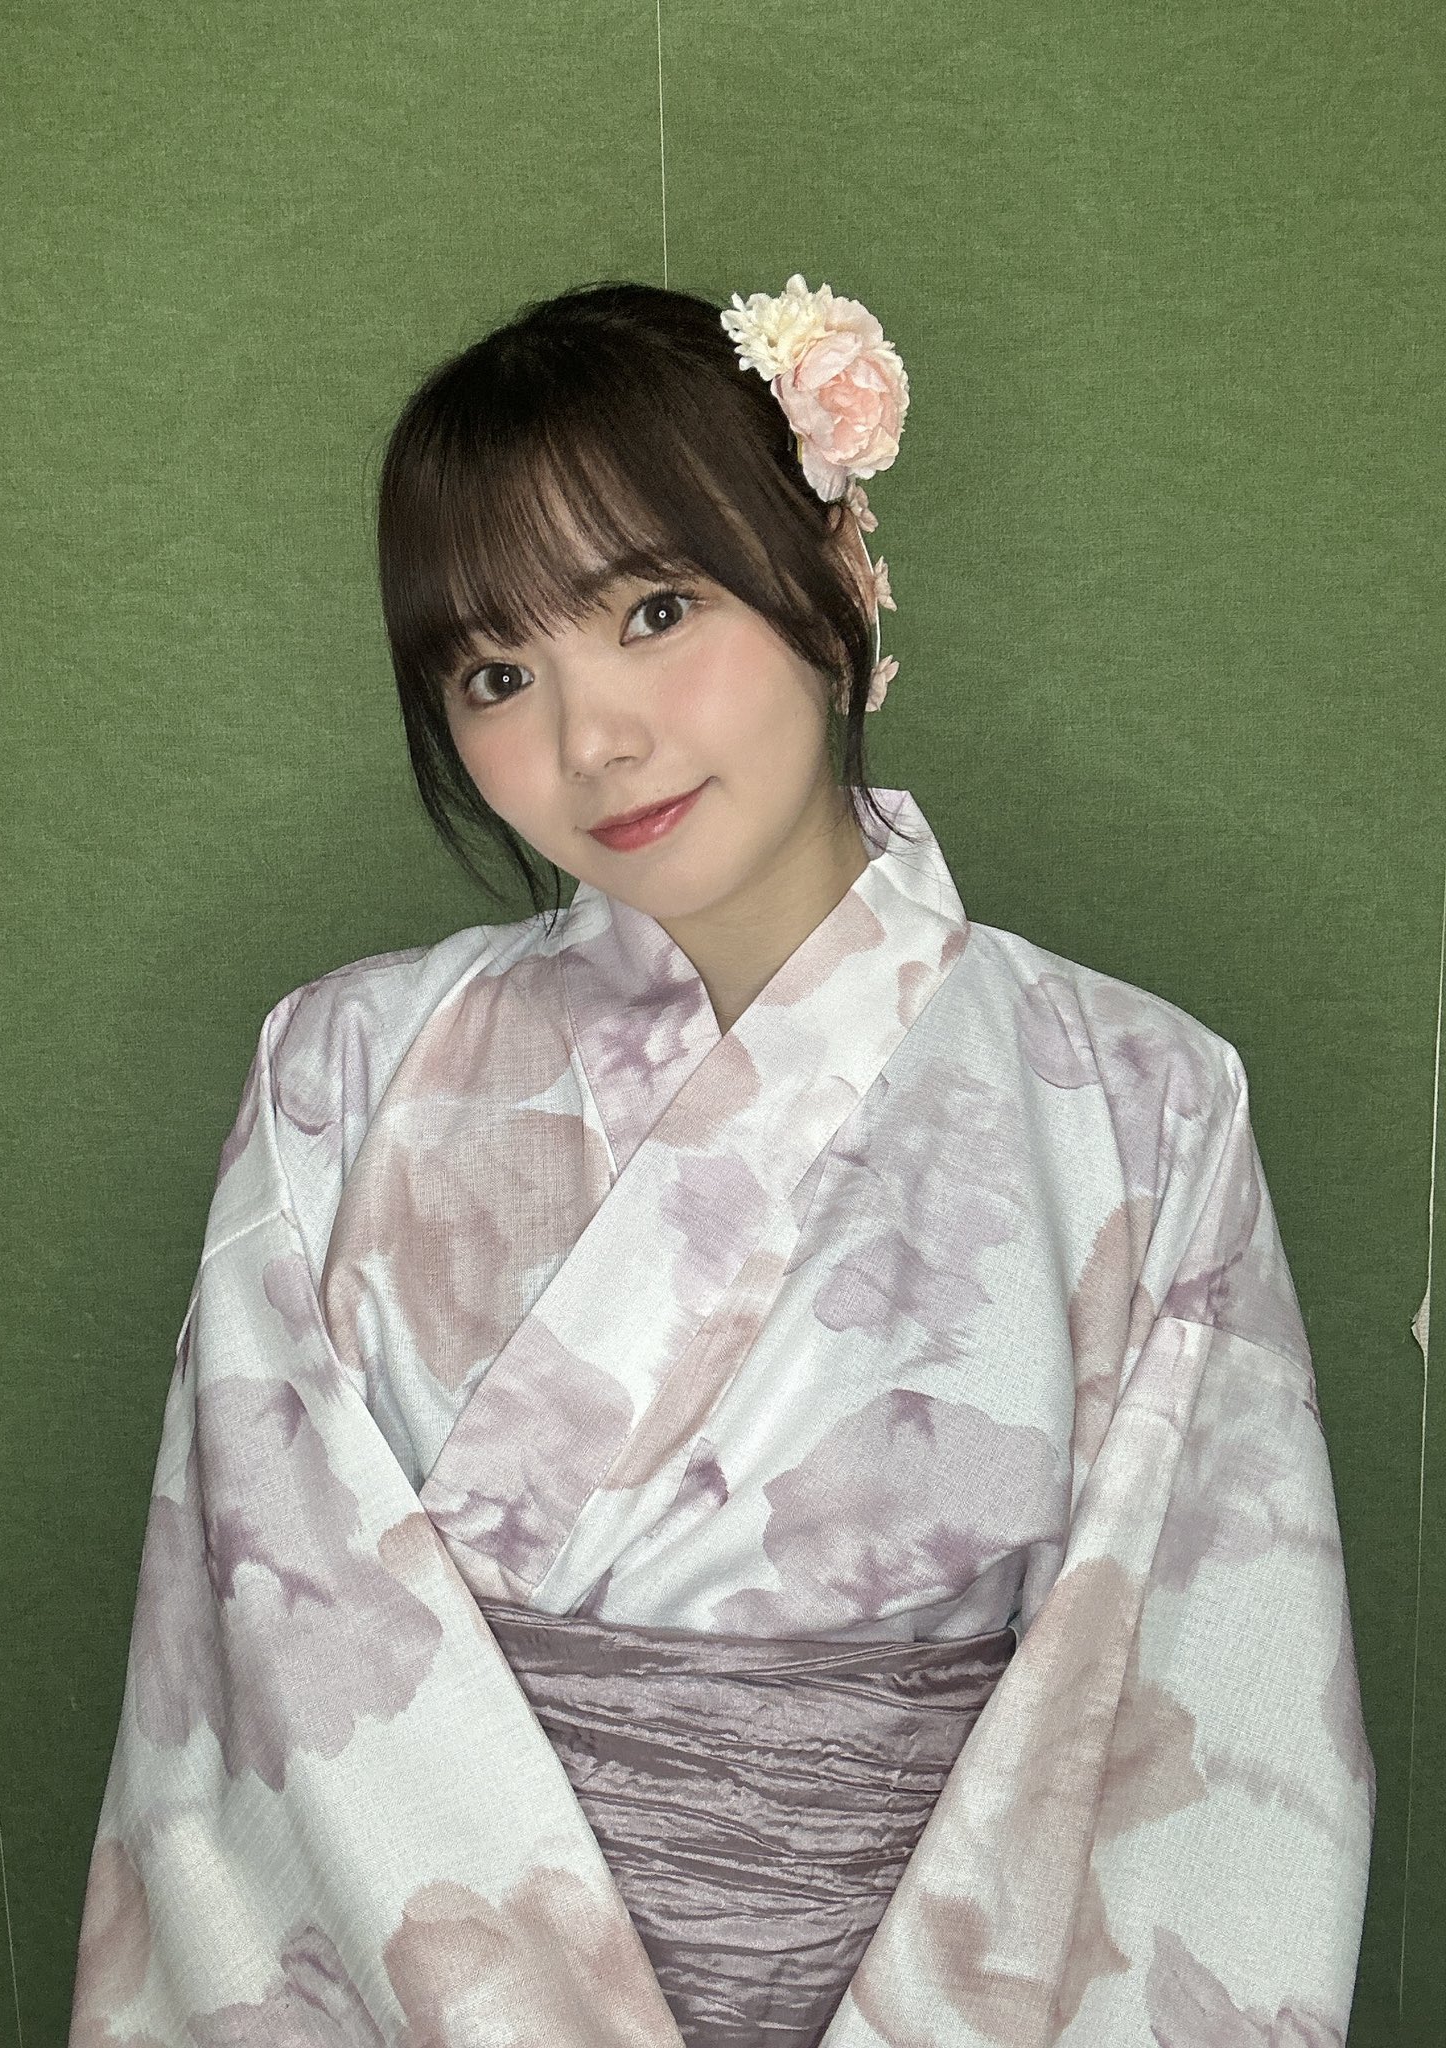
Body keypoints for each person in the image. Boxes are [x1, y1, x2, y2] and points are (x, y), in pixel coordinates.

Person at [68, 275, 1375, 2048]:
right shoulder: (341, 1072)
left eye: (655, 610)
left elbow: (1203, 1702)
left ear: (832, 571)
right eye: (498, 674)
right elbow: (257, 1688)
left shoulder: (1141, 1098)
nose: (590, 741)